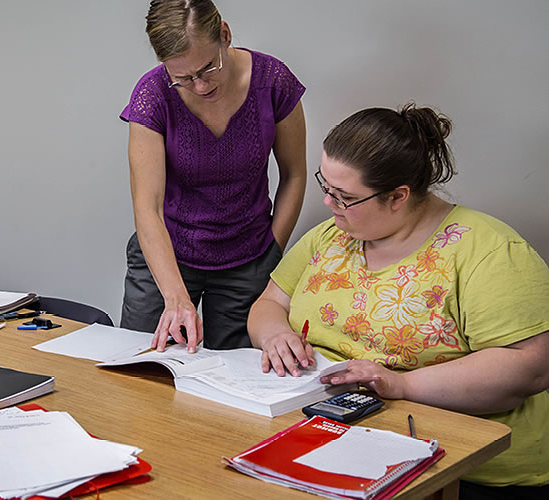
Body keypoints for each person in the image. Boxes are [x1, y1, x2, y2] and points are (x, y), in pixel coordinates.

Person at [247, 103, 548, 498]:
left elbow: (529, 367)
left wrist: (402, 384)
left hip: (465, 468)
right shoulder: (331, 236)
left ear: (397, 196)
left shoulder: (487, 250)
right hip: (333, 443)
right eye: (327, 187)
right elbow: (269, 304)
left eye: (344, 196)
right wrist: (273, 336)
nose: (328, 204)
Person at [120, 0, 307, 352]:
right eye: (183, 79)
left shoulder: (273, 82)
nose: (201, 86)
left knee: (235, 378)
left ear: (224, 34)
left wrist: (271, 251)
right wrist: (175, 298)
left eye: (208, 68)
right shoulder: (153, 95)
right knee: (143, 367)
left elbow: (294, 175)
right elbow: (147, 207)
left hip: (248, 255)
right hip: (167, 255)